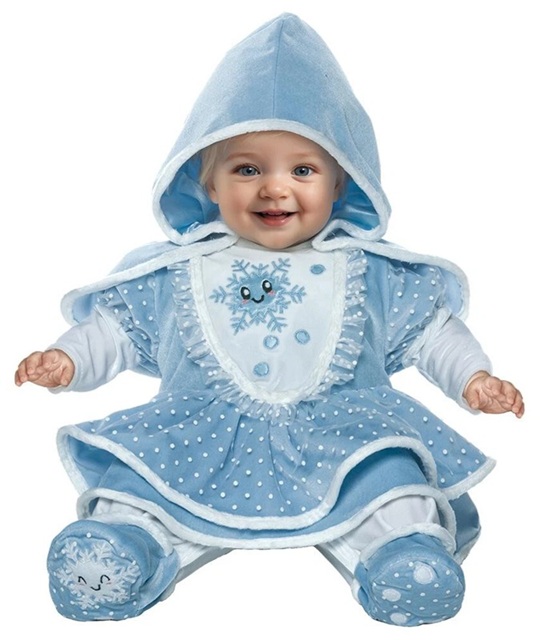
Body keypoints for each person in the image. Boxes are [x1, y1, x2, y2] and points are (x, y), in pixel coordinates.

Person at [15, 14, 523, 626]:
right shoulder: (175, 271)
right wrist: (68, 359)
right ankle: (121, 550)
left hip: (344, 429)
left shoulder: (372, 271)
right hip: (199, 432)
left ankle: (401, 554)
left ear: (342, 182)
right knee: (144, 478)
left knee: (389, 474)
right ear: (207, 182)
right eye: (247, 169)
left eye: (302, 170)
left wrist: (472, 377)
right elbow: (116, 331)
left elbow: (432, 331)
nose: (274, 189)